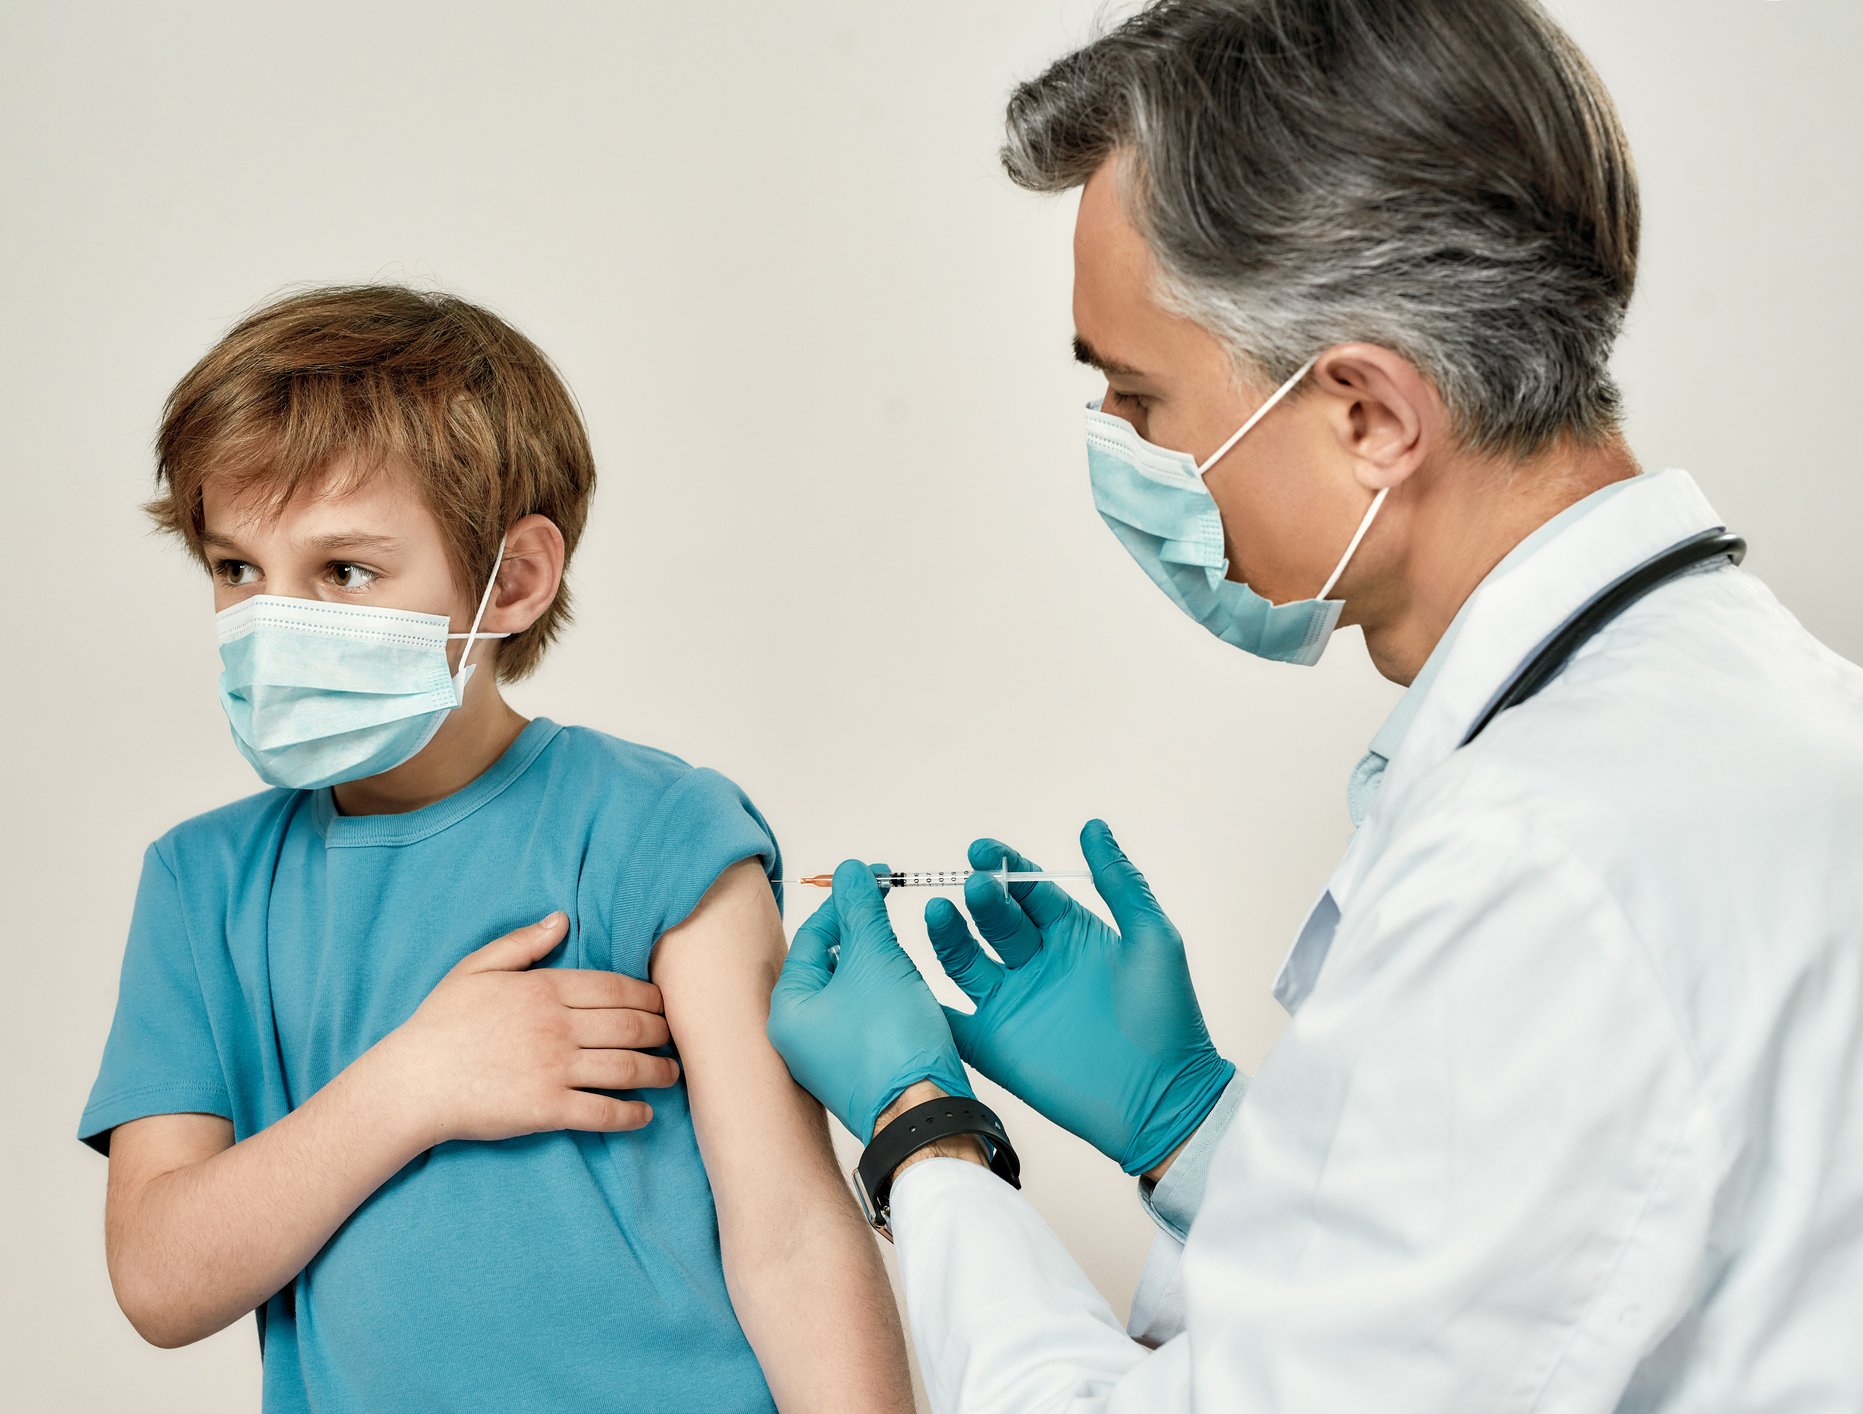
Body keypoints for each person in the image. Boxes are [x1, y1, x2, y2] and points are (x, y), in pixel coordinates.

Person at [766, 2, 1863, 1410]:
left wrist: (924, 1143)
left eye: (1138, 396)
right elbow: (1510, 1286)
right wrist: (1190, 1127)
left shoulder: (1541, 860)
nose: (1118, 449)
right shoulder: (1772, 714)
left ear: (1367, 414)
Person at [75, 284, 914, 1412]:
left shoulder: (659, 831)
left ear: (512, 580)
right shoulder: (201, 885)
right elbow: (159, 1278)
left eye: (344, 571)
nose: (273, 623)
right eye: (236, 570)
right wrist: (414, 1081)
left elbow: (794, 1239)